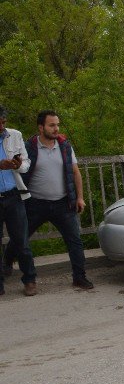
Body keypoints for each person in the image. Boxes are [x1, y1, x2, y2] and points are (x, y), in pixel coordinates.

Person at [3, 110, 92, 290]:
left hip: (63, 203)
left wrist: (80, 198)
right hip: (35, 203)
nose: (56, 128)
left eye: (57, 124)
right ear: (41, 127)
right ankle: (6, 263)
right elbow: (21, 166)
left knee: (74, 240)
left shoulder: (65, 146)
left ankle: (79, 277)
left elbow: (75, 172)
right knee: (20, 239)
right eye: (52, 125)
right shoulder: (30, 146)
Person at [0, 106, 36, 296]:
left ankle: (30, 280)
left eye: (3, 122)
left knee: (22, 241)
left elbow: (27, 163)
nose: (1, 126)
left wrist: (19, 164)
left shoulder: (15, 135)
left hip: (14, 195)